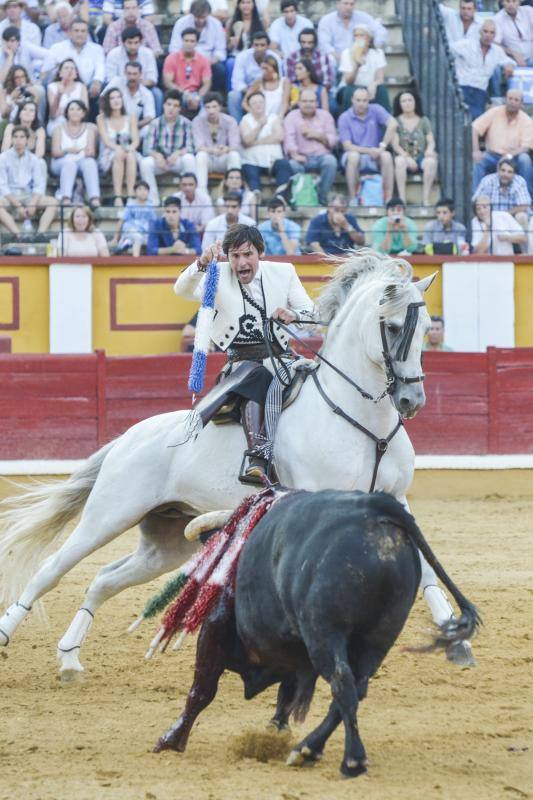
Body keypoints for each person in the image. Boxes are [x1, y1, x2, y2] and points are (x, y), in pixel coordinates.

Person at [173, 223, 316, 482]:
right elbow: (181, 289)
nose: (241, 262)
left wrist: (293, 315)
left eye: (247, 254)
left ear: (260, 252)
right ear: (228, 257)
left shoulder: (284, 272)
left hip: (283, 359)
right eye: (235, 256)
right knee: (256, 375)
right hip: (241, 364)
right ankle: (257, 457)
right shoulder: (216, 275)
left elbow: (312, 315)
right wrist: (202, 263)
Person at [337, 86, 396, 205]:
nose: (361, 104)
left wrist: (382, 147)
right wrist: (369, 151)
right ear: (352, 100)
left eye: (364, 100)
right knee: (353, 156)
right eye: (358, 100)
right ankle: (353, 198)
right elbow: (347, 146)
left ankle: (388, 198)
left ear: (368, 100)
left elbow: (393, 124)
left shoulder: (376, 109)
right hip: (355, 153)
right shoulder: (344, 117)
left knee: (387, 156)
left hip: (375, 154)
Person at [139, 90, 195, 206]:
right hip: (160, 162)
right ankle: (153, 200)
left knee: (189, 159)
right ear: (164, 105)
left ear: (180, 109)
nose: (171, 108)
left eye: (175, 106)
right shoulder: (155, 123)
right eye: (169, 104)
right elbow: (147, 149)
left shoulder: (186, 123)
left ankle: (186, 197)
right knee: (145, 163)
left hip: (176, 161)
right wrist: (157, 155)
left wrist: (178, 153)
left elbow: (191, 147)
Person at [284, 87, 338, 207]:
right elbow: (289, 139)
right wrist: (294, 154)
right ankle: (305, 196)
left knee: (331, 162)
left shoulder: (325, 116)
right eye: (304, 101)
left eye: (311, 101)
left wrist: (316, 135)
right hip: (301, 156)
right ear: (298, 103)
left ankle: (321, 198)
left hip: (322, 156)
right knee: (293, 164)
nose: (308, 104)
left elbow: (332, 141)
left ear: (317, 103)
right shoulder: (291, 117)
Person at [0, 125, 57, 238]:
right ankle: (18, 235)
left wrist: (33, 203)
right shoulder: (3, 158)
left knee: (53, 202)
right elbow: (2, 186)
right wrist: (18, 206)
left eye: (22, 137)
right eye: (15, 137)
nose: (18, 140)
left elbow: (39, 185)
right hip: (9, 196)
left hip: (29, 195)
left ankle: (40, 234)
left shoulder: (33, 159)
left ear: (27, 140)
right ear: (11, 139)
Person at [472, 88, 533, 193]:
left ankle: (528, 198)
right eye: (510, 99)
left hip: (514, 158)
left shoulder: (527, 121)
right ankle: (476, 198)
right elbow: (475, 128)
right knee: (479, 161)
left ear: (522, 104)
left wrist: (508, 155)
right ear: (505, 100)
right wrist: (476, 150)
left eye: (516, 100)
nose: (512, 102)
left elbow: (526, 147)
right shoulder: (495, 112)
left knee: (525, 159)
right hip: (492, 155)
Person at [451, 19, 514, 120]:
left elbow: (508, 61)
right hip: (463, 87)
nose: (488, 35)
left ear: (495, 36)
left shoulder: (497, 51)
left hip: (480, 91)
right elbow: (448, 48)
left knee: (476, 120)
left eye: (491, 32)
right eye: (485, 31)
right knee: (460, 119)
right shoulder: (466, 45)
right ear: (480, 32)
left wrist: (509, 65)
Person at [43, 17, 105, 111]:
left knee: (101, 88)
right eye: (76, 31)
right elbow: (46, 71)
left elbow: (100, 69)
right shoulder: (57, 48)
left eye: (83, 31)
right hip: (63, 85)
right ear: (69, 33)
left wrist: (97, 82)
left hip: (88, 87)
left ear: (87, 33)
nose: (79, 34)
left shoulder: (97, 49)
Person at [239, 90, 293, 195]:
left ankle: (280, 197)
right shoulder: (245, 120)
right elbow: (247, 140)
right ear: (249, 106)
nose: (258, 105)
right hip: (252, 161)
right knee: (249, 170)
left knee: (284, 165)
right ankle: (255, 196)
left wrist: (257, 142)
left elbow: (279, 136)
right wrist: (260, 125)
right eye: (254, 103)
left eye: (261, 102)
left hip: (273, 160)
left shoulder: (273, 118)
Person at [50, 98, 101, 207]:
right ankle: (66, 197)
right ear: (67, 113)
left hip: (82, 160)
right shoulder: (58, 128)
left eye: (78, 109)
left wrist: (79, 152)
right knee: (69, 164)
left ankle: (94, 197)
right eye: (71, 109)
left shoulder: (90, 128)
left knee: (90, 163)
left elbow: (91, 152)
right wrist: (69, 150)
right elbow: (55, 152)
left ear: (83, 113)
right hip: (61, 161)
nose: (75, 112)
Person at [391, 90, 438, 208]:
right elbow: (395, 145)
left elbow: (431, 141)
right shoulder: (395, 121)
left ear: (415, 102)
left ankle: (426, 199)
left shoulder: (423, 120)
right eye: (403, 101)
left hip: (420, 157)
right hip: (403, 156)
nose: (407, 103)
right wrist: (407, 157)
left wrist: (429, 150)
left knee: (431, 161)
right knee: (399, 161)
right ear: (399, 104)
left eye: (410, 100)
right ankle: (402, 199)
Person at [169, 0, 226, 92]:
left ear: (208, 14)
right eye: (197, 17)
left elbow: (220, 50)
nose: (200, 20)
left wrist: (213, 59)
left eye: (203, 17)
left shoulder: (216, 24)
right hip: (184, 58)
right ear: (192, 14)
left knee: (220, 70)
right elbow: (174, 47)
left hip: (208, 61)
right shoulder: (181, 23)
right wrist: (185, 58)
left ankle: (212, 96)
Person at [96, 86, 139, 205]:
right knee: (119, 153)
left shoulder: (131, 117)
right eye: (112, 98)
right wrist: (119, 149)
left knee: (130, 155)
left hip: (127, 150)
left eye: (118, 97)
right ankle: (118, 196)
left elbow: (135, 140)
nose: (116, 100)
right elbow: (106, 141)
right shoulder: (101, 119)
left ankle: (130, 195)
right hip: (109, 152)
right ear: (108, 102)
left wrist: (129, 148)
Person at [105, 24, 161, 114]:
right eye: (130, 43)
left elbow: (152, 79)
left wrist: (135, 84)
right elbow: (110, 79)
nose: (133, 47)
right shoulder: (113, 54)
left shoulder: (148, 54)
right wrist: (127, 86)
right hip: (119, 88)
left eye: (136, 43)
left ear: (141, 42)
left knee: (157, 94)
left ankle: (156, 124)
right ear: (123, 43)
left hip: (143, 87)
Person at [191, 92, 241, 191]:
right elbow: (198, 146)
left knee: (234, 155)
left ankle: (234, 191)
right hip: (208, 158)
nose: (211, 111)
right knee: (200, 156)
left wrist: (226, 149)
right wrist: (212, 150)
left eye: (214, 107)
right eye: (208, 107)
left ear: (220, 107)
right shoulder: (197, 121)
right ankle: (201, 191)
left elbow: (235, 145)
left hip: (223, 157)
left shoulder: (230, 121)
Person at [228, 30, 281, 121]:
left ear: (268, 46)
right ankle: (237, 125)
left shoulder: (275, 58)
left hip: (268, 90)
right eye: (256, 45)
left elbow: (278, 80)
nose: (259, 48)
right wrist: (252, 92)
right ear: (252, 45)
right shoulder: (242, 57)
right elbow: (237, 83)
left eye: (262, 45)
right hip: (247, 91)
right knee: (233, 95)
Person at [337, 23, 389, 112]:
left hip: (369, 87)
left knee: (381, 90)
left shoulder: (377, 53)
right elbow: (348, 81)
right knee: (350, 91)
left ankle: (385, 122)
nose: (358, 38)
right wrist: (357, 66)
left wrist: (374, 84)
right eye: (356, 36)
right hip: (350, 87)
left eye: (362, 35)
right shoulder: (346, 53)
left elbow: (380, 78)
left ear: (369, 39)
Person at [317, 0, 387, 62]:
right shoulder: (326, 20)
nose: (348, 7)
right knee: (329, 60)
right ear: (338, 3)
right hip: (336, 60)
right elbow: (324, 45)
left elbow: (381, 31)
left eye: (351, 4)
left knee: (378, 54)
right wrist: (343, 59)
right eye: (345, 3)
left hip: (361, 58)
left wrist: (372, 47)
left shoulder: (363, 17)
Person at [162, 27, 212, 114]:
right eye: (186, 40)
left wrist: (198, 98)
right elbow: (168, 82)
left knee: (206, 107)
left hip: (196, 93)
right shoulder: (171, 58)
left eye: (192, 41)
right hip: (177, 93)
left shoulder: (203, 60)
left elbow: (207, 83)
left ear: (197, 43)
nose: (189, 44)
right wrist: (185, 95)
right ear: (182, 41)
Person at [473, 156, 530, 230]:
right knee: (477, 216)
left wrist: (504, 215)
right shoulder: (487, 181)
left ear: (514, 174)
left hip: (511, 217)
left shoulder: (519, 181)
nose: (505, 174)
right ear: (498, 170)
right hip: (490, 216)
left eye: (510, 172)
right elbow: (475, 201)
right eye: (503, 170)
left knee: (522, 216)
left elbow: (524, 205)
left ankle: (522, 241)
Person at [102, 60, 155, 139]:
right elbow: (102, 100)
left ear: (140, 74)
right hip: (113, 124)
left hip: (135, 127)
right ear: (124, 73)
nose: (132, 77)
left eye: (135, 74)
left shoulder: (146, 93)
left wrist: (134, 125)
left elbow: (149, 116)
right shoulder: (116, 82)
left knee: (148, 129)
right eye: (129, 74)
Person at [286, 27, 336, 106]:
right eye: (303, 42)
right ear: (299, 42)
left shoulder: (323, 56)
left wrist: (317, 92)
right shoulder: (293, 57)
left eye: (310, 43)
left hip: (320, 91)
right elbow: (291, 80)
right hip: (299, 91)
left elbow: (328, 82)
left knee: (333, 106)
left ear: (315, 43)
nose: (306, 45)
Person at [111, 179, 156, 255]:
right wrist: (115, 238)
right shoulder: (130, 204)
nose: (143, 192)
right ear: (135, 192)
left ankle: (127, 243)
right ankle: (136, 259)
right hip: (131, 229)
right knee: (137, 238)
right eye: (140, 189)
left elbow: (153, 221)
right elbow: (121, 220)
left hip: (144, 231)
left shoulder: (150, 205)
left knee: (149, 240)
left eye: (145, 189)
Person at [46, 57, 89, 134]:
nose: (69, 70)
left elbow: (85, 110)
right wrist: (59, 95)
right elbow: (53, 114)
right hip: (57, 123)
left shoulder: (81, 86)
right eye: (66, 68)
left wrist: (63, 110)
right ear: (60, 73)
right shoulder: (52, 87)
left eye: (72, 68)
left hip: (77, 123)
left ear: (76, 74)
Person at [494, 0, 533, 67]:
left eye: (514, 1)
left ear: (519, 2)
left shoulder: (529, 11)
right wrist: (513, 53)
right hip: (513, 61)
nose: (511, 4)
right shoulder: (497, 19)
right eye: (507, 1)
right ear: (502, 2)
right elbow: (495, 44)